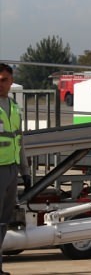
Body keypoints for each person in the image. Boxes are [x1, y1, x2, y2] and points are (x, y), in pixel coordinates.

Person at [0, 63, 30, 275]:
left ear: (11, 81)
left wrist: (25, 171)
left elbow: (19, 141)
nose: (0, 84)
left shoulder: (14, 108)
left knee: (4, 221)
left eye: (4, 80)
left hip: (11, 172)